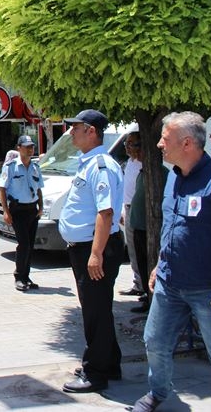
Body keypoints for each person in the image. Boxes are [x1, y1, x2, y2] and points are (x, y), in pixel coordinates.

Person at [131, 112, 211, 412]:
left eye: (164, 139)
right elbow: (172, 228)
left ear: (186, 143)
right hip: (170, 284)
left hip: (209, 290)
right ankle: (158, 392)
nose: (158, 145)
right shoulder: (172, 179)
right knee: (154, 342)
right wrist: (159, 264)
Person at [58, 109, 124, 393]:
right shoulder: (88, 163)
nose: (71, 132)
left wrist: (96, 254)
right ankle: (109, 362)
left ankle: (95, 373)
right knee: (98, 309)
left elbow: (105, 212)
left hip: (94, 248)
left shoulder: (101, 166)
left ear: (92, 131)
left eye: (76, 128)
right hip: (86, 247)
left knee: (95, 312)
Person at [127, 137, 167, 314]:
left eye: (136, 146)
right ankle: (145, 294)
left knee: (149, 263)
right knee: (141, 262)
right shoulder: (141, 171)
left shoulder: (162, 173)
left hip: (148, 228)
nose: (133, 150)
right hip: (137, 225)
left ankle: (152, 299)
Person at [0, 135, 44, 292]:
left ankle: (26, 276)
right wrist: (6, 211)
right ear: (19, 148)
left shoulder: (35, 167)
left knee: (30, 245)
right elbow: (2, 189)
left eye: (32, 146)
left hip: (32, 209)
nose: (30, 149)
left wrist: (41, 207)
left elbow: (38, 189)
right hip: (18, 210)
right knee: (23, 244)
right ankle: (19, 276)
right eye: (26, 147)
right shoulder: (11, 167)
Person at [119, 131, 145, 298]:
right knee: (133, 250)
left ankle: (143, 285)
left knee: (140, 249)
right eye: (126, 144)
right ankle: (138, 283)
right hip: (128, 208)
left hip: (139, 211)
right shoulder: (130, 162)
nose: (128, 148)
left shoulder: (144, 164)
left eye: (132, 144)